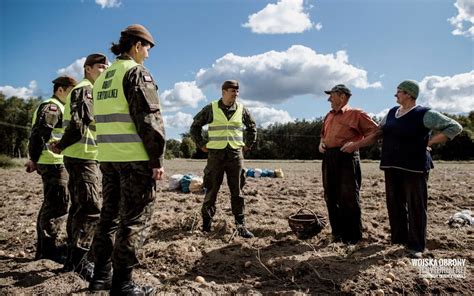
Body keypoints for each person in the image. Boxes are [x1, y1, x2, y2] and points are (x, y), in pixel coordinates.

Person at [341, 80, 462, 257]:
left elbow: (455, 127)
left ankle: (416, 246)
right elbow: (377, 134)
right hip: (391, 164)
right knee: (394, 204)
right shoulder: (391, 113)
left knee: (416, 206)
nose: (395, 95)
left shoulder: (424, 113)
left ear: (409, 94)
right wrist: (356, 145)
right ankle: (399, 240)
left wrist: (429, 142)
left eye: (398, 92)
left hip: (415, 166)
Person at [88, 24, 165, 295]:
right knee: (134, 220)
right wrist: (156, 159)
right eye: (147, 48)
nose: (148, 54)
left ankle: (100, 277)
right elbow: (148, 120)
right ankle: (122, 285)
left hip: (108, 159)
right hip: (135, 160)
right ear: (136, 46)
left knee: (108, 218)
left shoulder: (103, 78)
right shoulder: (135, 73)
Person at [51, 54, 108, 279]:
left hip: (83, 156)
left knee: (78, 208)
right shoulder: (85, 90)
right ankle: (80, 262)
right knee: (90, 209)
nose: (104, 70)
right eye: (100, 67)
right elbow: (78, 124)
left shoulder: (90, 90)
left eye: (106, 66)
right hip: (82, 157)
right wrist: (61, 146)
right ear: (87, 69)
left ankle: (72, 259)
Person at [190, 80, 257, 238]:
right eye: (232, 91)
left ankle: (241, 226)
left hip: (235, 155)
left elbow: (252, 127)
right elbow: (195, 127)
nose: (236, 94)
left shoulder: (242, 109)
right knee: (211, 191)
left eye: (237, 91)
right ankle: (206, 225)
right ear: (224, 92)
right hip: (215, 156)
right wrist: (201, 144)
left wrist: (248, 144)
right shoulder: (211, 108)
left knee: (238, 192)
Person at [26, 75, 77, 262]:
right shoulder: (52, 107)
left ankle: (47, 248)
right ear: (61, 89)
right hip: (52, 161)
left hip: (55, 161)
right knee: (56, 204)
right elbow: (39, 134)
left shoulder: (62, 107)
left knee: (57, 203)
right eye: (71, 91)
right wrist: (34, 158)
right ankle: (47, 251)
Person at [319, 84, 378, 244]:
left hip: (347, 157)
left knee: (349, 197)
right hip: (329, 157)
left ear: (342, 96)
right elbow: (323, 135)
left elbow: (376, 132)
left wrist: (356, 145)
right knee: (330, 196)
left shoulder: (356, 114)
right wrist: (321, 144)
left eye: (332, 95)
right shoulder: (328, 115)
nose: (329, 99)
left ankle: (352, 238)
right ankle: (337, 234)